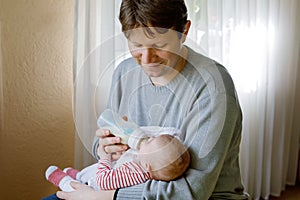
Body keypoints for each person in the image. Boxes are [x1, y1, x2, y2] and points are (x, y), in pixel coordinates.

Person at [43, 0, 250, 199]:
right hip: (121, 186)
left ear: (184, 32)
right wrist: (105, 147)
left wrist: (105, 197)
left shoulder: (213, 85)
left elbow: (191, 192)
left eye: (159, 45)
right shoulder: (124, 72)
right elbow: (105, 142)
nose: (147, 59)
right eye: (136, 45)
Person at [45, 127, 190, 191]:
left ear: (147, 166)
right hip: (98, 179)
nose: (149, 137)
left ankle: (62, 179)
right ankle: (78, 175)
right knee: (94, 170)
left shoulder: (133, 172)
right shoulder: (146, 165)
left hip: (93, 190)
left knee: (74, 188)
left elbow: (103, 181)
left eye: (150, 142)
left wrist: (104, 157)